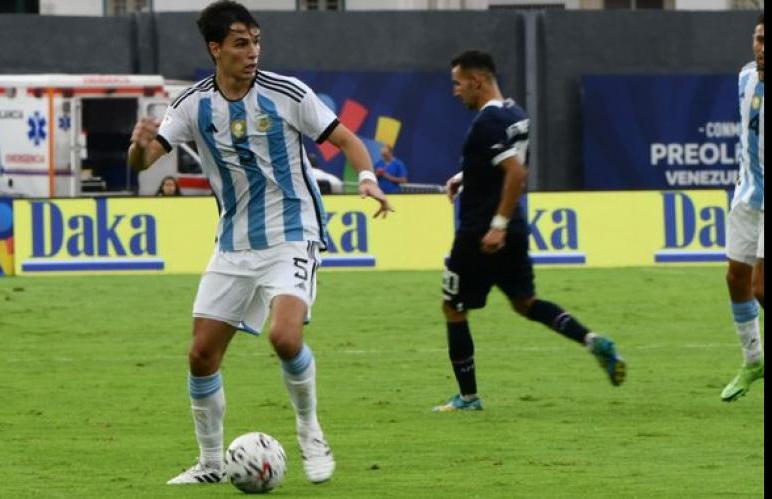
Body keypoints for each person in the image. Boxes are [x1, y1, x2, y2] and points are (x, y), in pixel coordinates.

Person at [126, 0, 393, 485]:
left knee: (285, 337)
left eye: (256, 42)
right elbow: (144, 164)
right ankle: (210, 464)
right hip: (233, 243)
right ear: (215, 49)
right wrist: (137, 146)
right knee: (200, 355)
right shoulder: (191, 105)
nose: (253, 53)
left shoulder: (286, 92)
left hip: (293, 233)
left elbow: (350, 142)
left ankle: (311, 431)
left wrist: (369, 177)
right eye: (241, 44)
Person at [433, 50, 625, 412]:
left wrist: (496, 226)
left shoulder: (485, 124)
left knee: (453, 307)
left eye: (457, 83)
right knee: (526, 304)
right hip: (514, 227)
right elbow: (512, 165)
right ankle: (592, 340)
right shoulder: (516, 114)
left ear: (476, 81)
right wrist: (464, 178)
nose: (454, 91)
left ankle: (468, 398)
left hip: (481, 232)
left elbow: (516, 174)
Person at [720, 13, 764, 403]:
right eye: (759, 39)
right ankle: (754, 360)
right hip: (748, 193)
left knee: (760, 286)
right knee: (736, 279)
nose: (761, 48)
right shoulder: (745, 77)